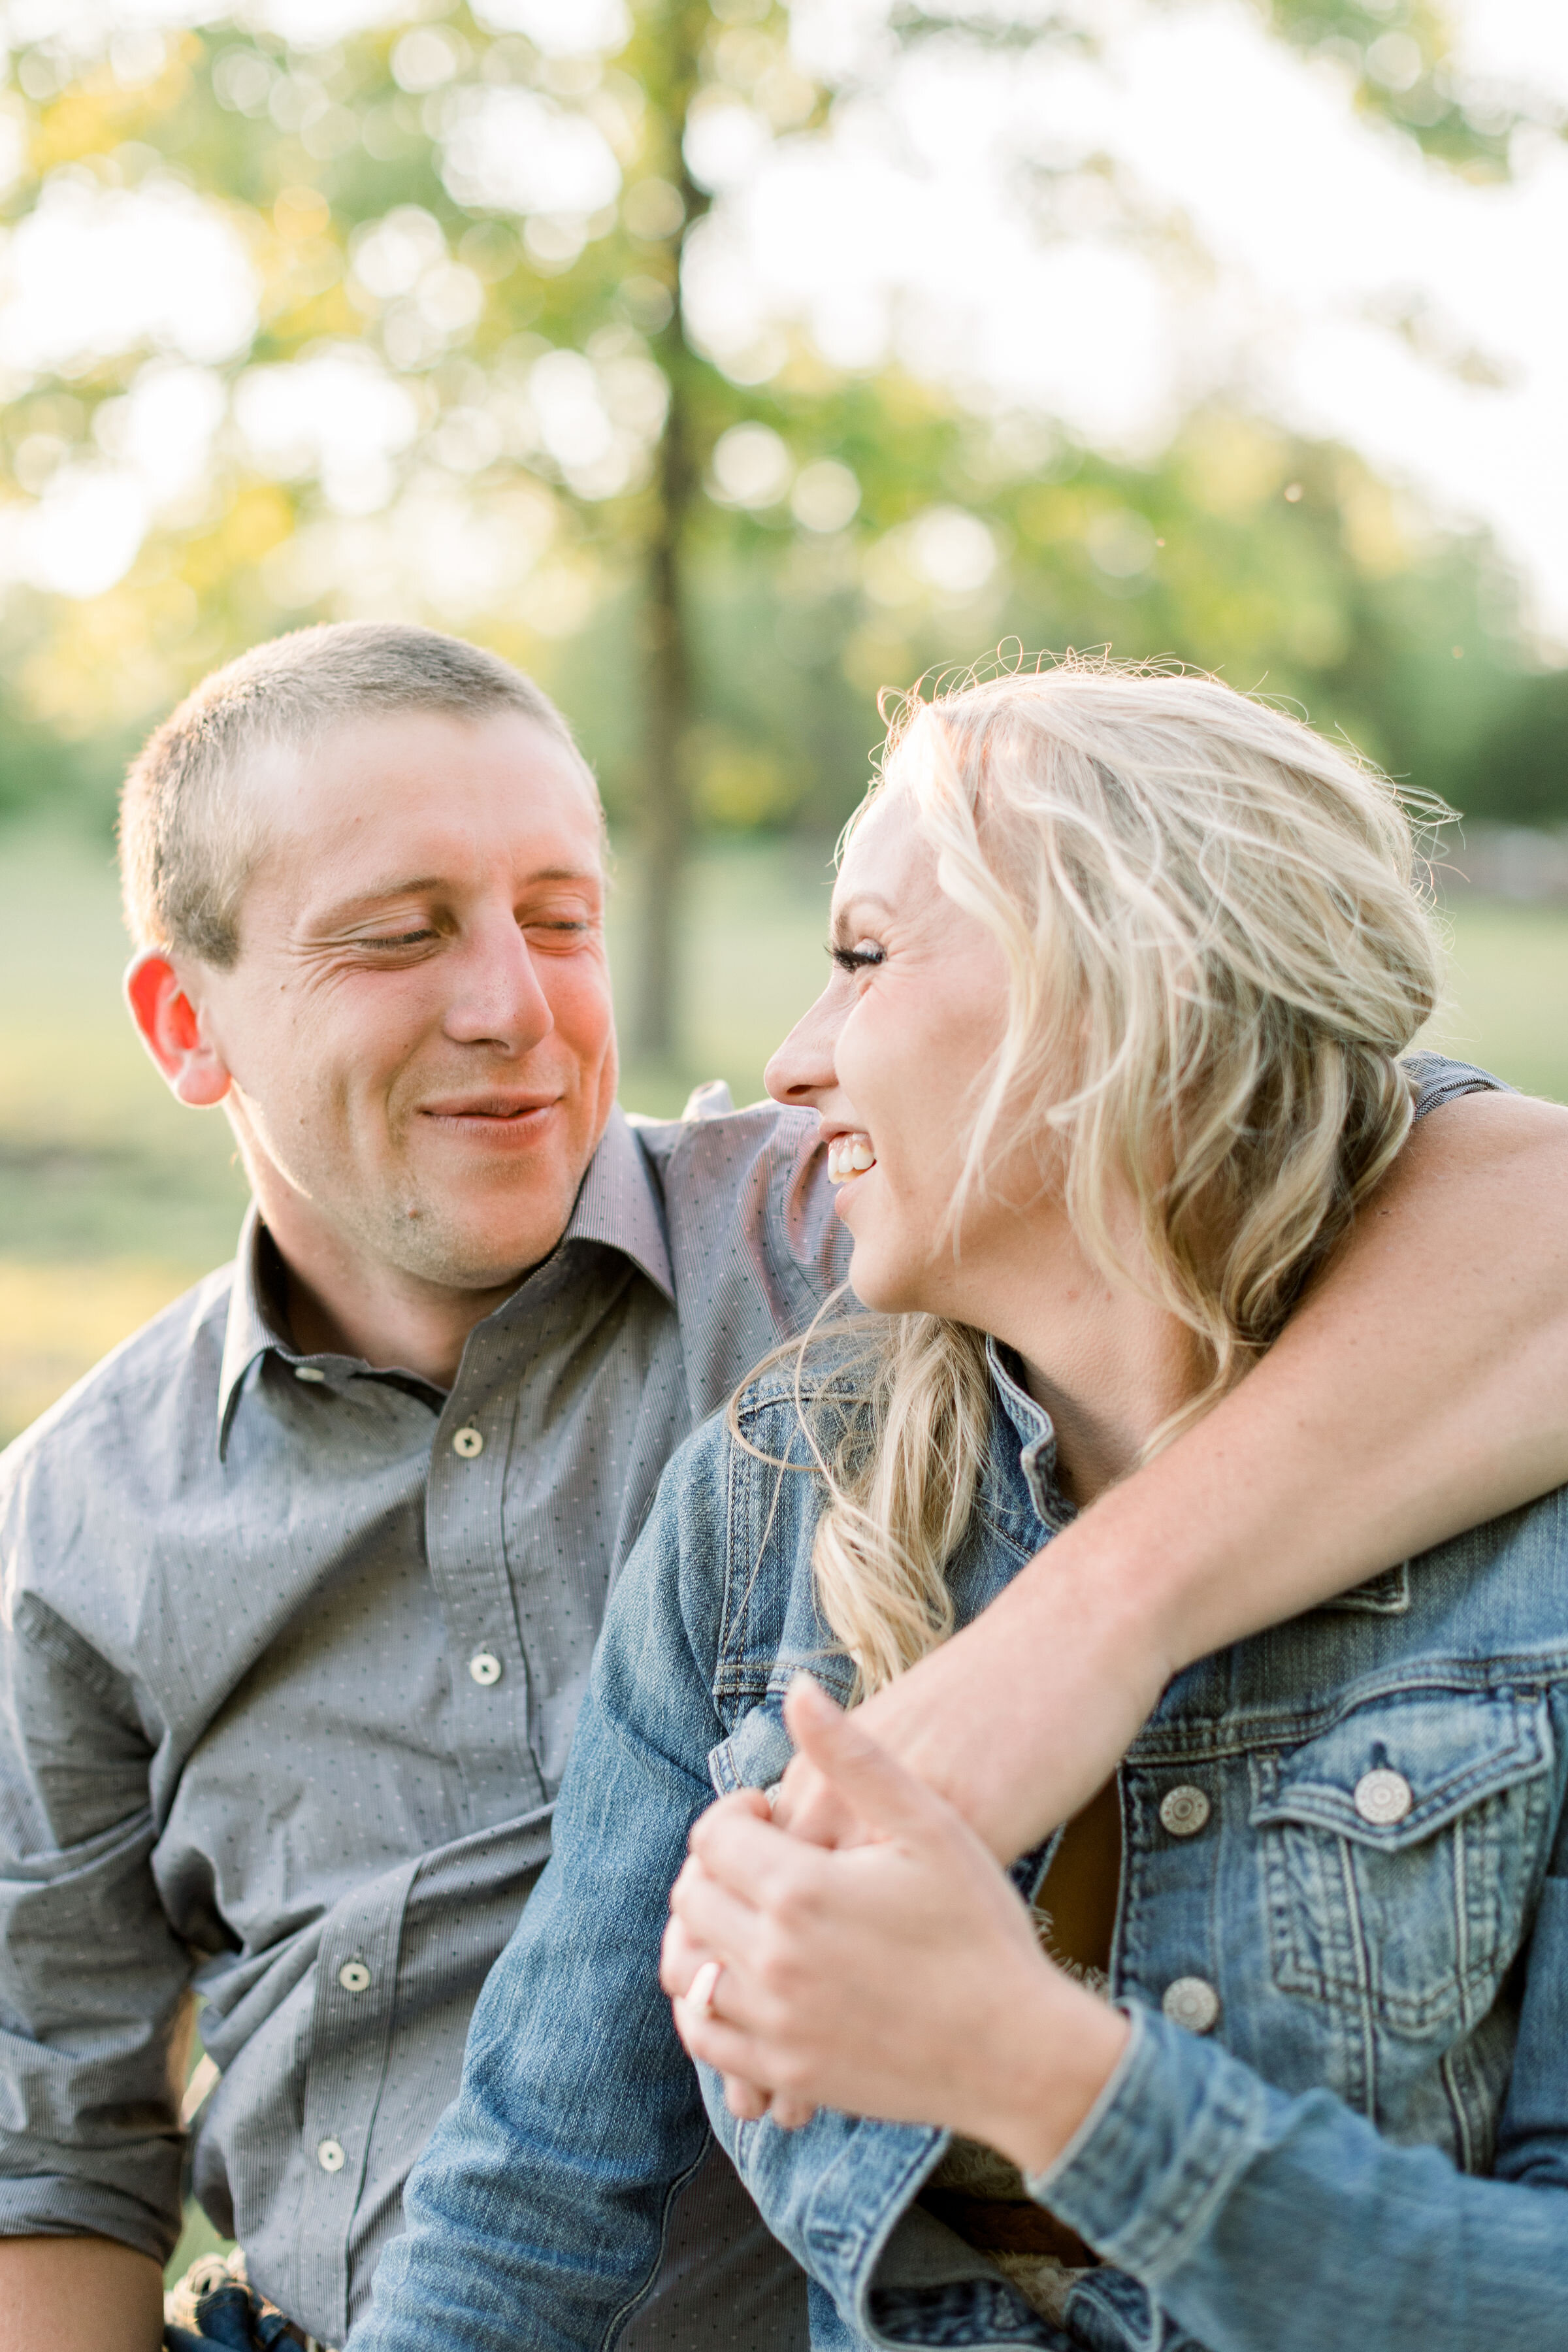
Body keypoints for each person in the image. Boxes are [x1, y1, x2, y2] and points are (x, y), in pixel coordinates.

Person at [0, 629, 1561, 2352]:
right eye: (396, 934)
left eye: (566, 918)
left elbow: (1427, 1181)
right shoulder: (79, 1528)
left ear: (1121, 1019)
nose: (516, 1007)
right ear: (185, 1021)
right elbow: (77, 2170)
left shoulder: (853, 1233)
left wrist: (1089, 1629)